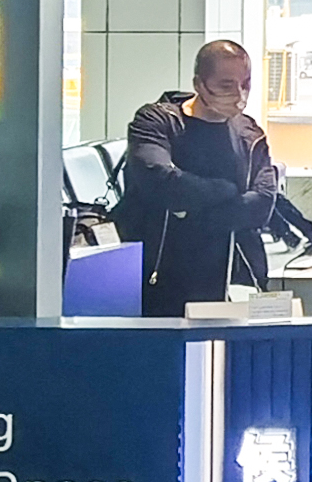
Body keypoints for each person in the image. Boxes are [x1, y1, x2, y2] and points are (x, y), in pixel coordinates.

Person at [118, 41, 282, 317]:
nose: (238, 94)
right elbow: (160, 180)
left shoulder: (249, 134)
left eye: (245, 84)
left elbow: (263, 202)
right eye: (226, 85)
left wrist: (193, 214)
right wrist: (228, 191)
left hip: (234, 276)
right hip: (162, 276)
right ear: (199, 84)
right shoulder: (157, 121)